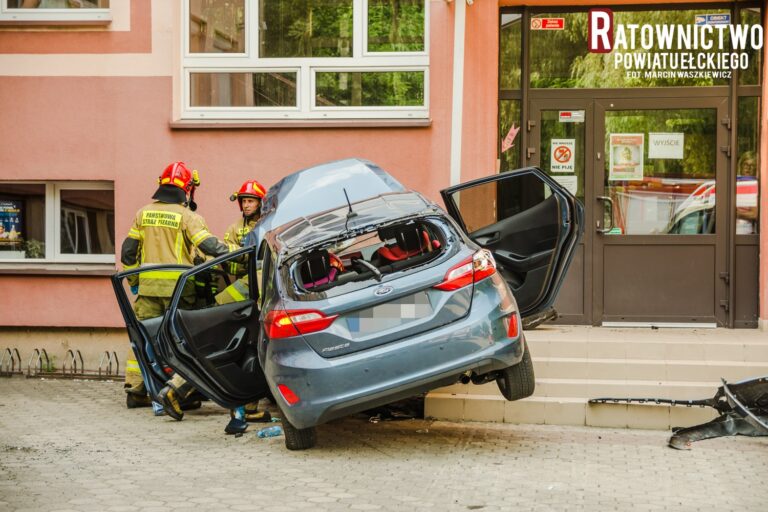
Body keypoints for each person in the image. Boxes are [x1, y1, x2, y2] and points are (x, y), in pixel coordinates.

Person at [121, 161, 230, 414]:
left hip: (148, 290)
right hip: (179, 292)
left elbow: (128, 252)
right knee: (180, 342)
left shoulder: (142, 214)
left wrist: (135, 283)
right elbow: (209, 246)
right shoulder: (188, 216)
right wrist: (237, 251)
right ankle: (177, 392)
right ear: (187, 189)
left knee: (142, 339)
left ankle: (136, 391)